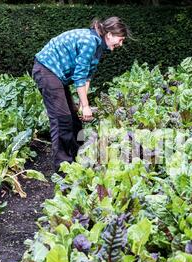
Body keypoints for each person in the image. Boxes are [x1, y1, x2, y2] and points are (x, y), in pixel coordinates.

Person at [32, 17, 131, 172]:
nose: (121, 44)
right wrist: (85, 106)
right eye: (121, 39)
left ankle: (78, 155)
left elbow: (87, 76)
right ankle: (63, 167)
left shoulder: (98, 46)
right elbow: (79, 77)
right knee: (62, 119)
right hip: (47, 70)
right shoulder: (90, 41)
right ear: (110, 34)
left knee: (73, 118)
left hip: (56, 75)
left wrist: (81, 104)